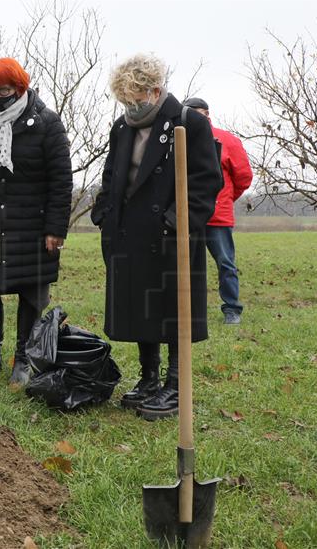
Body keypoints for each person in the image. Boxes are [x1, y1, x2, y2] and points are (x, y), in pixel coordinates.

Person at [91, 55, 222, 420]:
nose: (132, 106)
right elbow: (111, 174)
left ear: (154, 89)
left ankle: (176, 386)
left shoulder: (188, 123)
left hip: (171, 235)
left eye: (137, 97)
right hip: (128, 233)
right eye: (125, 100)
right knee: (140, 306)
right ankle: (149, 379)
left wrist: (174, 222)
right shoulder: (122, 127)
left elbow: (207, 181)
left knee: (173, 310)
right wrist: (103, 211)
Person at [0, 57, 73, 386]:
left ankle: (22, 358)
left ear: (19, 88)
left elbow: (61, 180)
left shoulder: (47, 122)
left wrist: (55, 229)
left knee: (32, 296)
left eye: (3, 90)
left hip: (32, 226)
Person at [184, 97, 253, 325]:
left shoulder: (227, 140)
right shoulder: (178, 141)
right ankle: (188, 310)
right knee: (185, 266)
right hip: (187, 216)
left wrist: (224, 199)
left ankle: (232, 309)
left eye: (198, 114)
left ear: (208, 115)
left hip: (218, 216)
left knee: (225, 263)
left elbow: (243, 177)